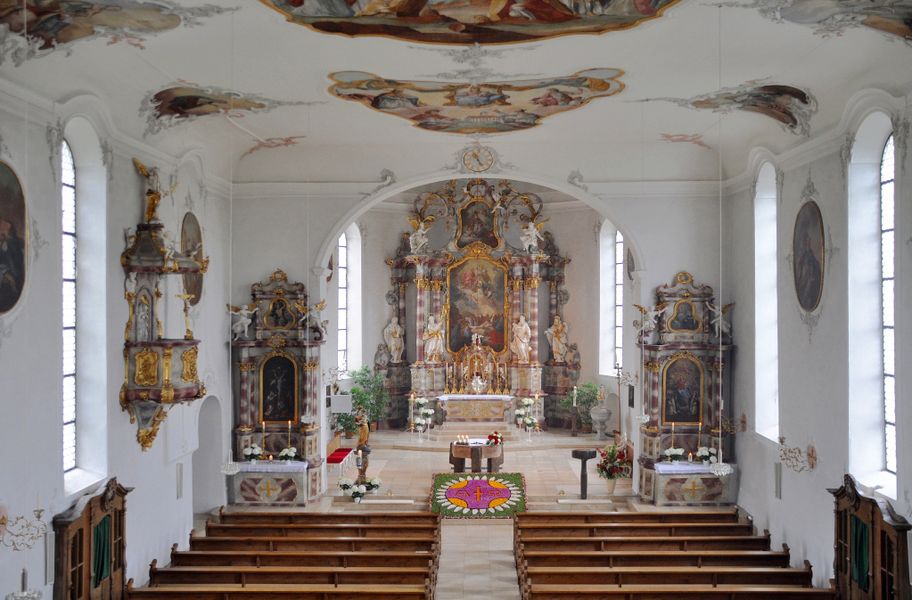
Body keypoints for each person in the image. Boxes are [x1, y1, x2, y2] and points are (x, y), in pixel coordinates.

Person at [0, 217, 25, 313]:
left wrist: (7, 273)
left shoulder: (14, 246)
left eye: (6, 233)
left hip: (10, 283)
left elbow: (16, 267)